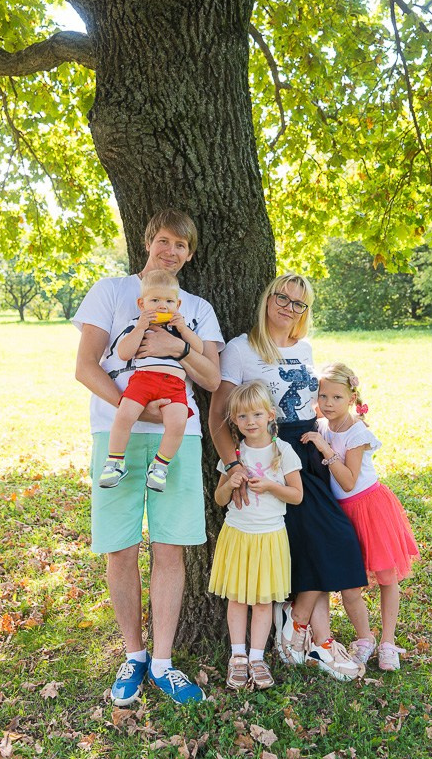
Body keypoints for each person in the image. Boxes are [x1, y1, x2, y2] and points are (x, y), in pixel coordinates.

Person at [73, 209, 224, 706]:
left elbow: (212, 379)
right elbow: (86, 366)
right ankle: (133, 656)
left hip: (178, 442)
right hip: (115, 434)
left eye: (182, 246)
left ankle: (163, 663)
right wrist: (132, 409)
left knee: (169, 547)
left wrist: (177, 349)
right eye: (164, 241)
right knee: (120, 547)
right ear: (148, 242)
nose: (171, 251)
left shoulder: (196, 307)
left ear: (190, 254)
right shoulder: (113, 292)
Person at [209, 274, 367, 682]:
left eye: (299, 303)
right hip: (273, 452)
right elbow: (218, 418)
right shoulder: (241, 349)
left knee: (325, 540)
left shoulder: (306, 347)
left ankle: (306, 632)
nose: (288, 307)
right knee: (321, 540)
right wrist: (234, 465)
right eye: (282, 297)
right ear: (267, 298)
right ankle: (312, 637)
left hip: (309, 451)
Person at [301, 362, 420, 671]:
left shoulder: (357, 432)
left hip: (370, 508)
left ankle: (388, 643)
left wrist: (325, 448)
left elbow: (349, 481)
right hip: (342, 515)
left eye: (336, 398)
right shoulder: (324, 424)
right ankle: (364, 638)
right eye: (323, 396)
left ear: (351, 398)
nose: (328, 404)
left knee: (385, 576)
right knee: (350, 585)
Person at [209, 381, 303, 690]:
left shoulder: (283, 452)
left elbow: (296, 496)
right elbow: (219, 500)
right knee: (237, 598)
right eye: (243, 417)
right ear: (234, 421)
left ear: (270, 415)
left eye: (257, 415)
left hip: (270, 536)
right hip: (238, 534)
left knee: (263, 602)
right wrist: (230, 482)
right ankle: (237, 656)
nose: (251, 422)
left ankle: (257, 657)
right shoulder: (234, 454)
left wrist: (271, 486)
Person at [98, 269, 204, 493]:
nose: (162, 306)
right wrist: (139, 327)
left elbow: (199, 349)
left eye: (168, 301)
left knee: (178, 422)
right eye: (154, 300)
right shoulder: (136, 324)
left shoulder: (180, 329)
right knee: (124, 414)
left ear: (178, 304)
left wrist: (183, 329)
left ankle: (160, 466)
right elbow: (124, 353)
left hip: (174, 386)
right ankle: (114, 462)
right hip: (143, 380)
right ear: (142, 304)